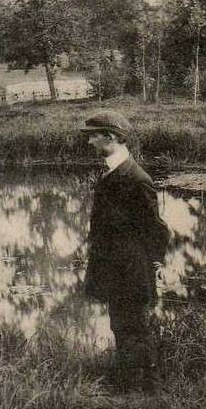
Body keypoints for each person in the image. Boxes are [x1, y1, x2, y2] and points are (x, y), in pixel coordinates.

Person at [80, 110, 169, 392]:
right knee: (122, 324)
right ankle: (130, 384)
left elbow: (156, 228)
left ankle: (144, 390)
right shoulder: (114, 171)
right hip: (118, 266)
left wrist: (156, 264)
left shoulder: (135, 178)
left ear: (113, 137)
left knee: (133, 327)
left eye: (94, 135)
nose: (89, 141)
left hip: (131, 268)